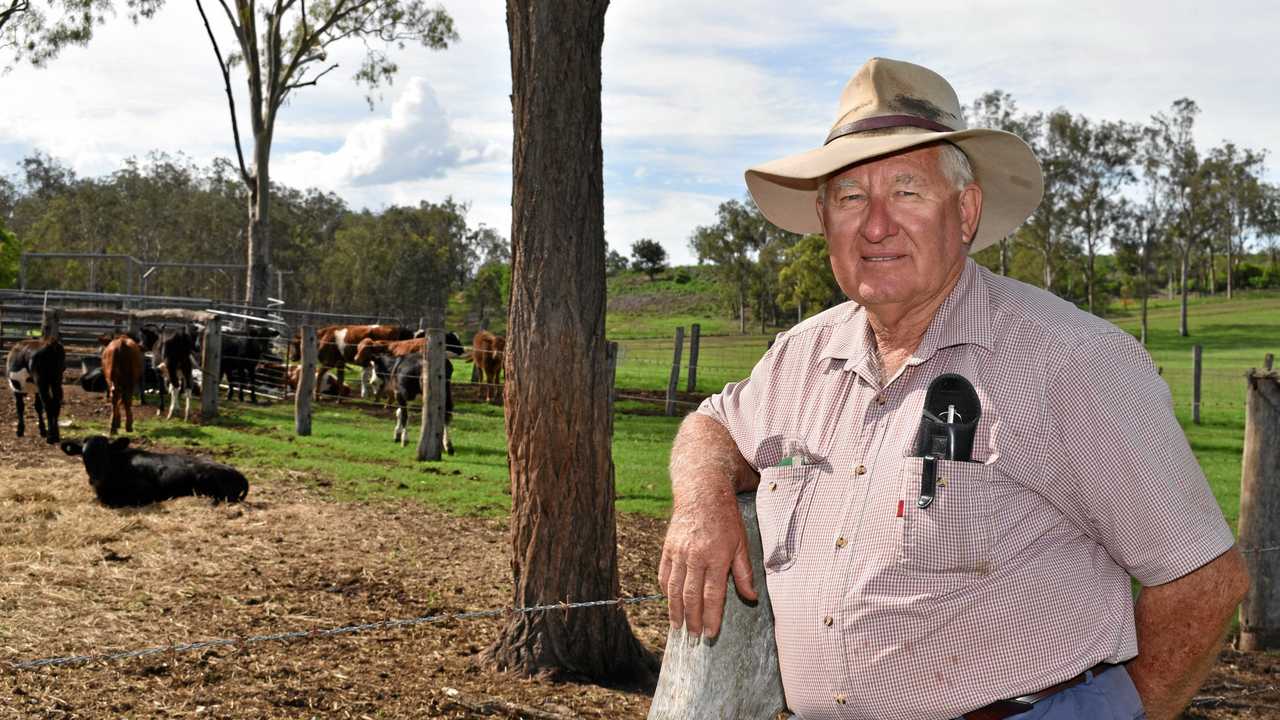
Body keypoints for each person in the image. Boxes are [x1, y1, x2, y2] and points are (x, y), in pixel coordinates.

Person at [658, 57, 1249, 720]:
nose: (876, 225)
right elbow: (711, 427)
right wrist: (700, 504)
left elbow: (1204, 581)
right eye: (852, 198)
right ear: (825, 220)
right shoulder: (802, 355)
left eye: (907, 191)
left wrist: (1120, 712)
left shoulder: (1068, 359)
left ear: (965, 210)